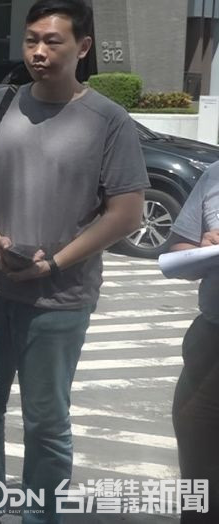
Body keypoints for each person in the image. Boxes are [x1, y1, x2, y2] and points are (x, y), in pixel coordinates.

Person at [0, 0, 147, 524]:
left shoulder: (108, 121)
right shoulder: (2, 104)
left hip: (59, 299)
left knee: (45, 420)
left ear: (82, 47)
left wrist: (53, 264)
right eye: (31, 40)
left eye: (52, 41)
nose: (39, 51)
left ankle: (42, 514)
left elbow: (126, 213)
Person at [166, 165, 219, 524]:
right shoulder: (215, 175)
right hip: (211, 338)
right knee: (199, 465)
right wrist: (204, 249)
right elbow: (179, 251)